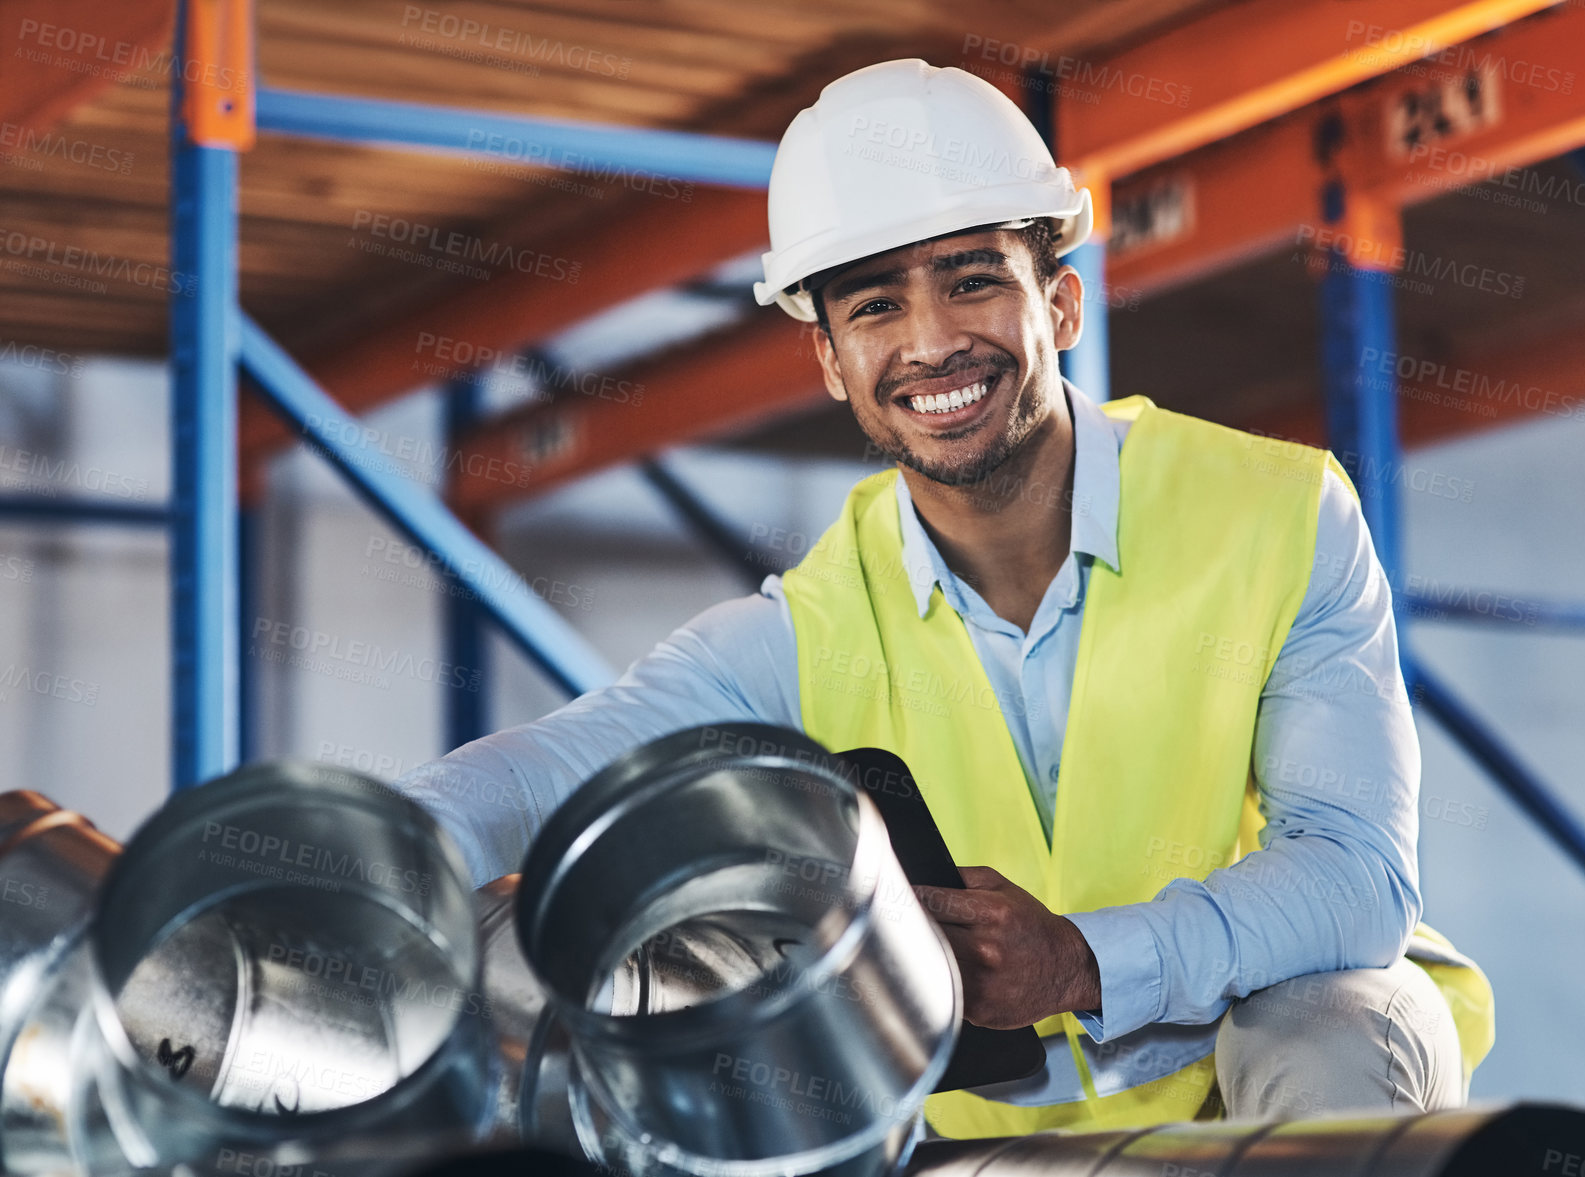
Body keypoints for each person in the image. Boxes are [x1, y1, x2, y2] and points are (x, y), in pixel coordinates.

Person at [396, 58, 1493, 1136]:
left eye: (972, 281)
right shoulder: (814, 622)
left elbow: (1356, 876)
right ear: (828, 359)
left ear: (1058, 303)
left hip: (1258, 1037)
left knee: (1328, 1031)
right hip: (992, 1118)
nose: (930, 343)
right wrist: (386, 853)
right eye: (876, 305)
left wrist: (1081, 957)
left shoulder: (1278, 515)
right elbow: (565, 760)